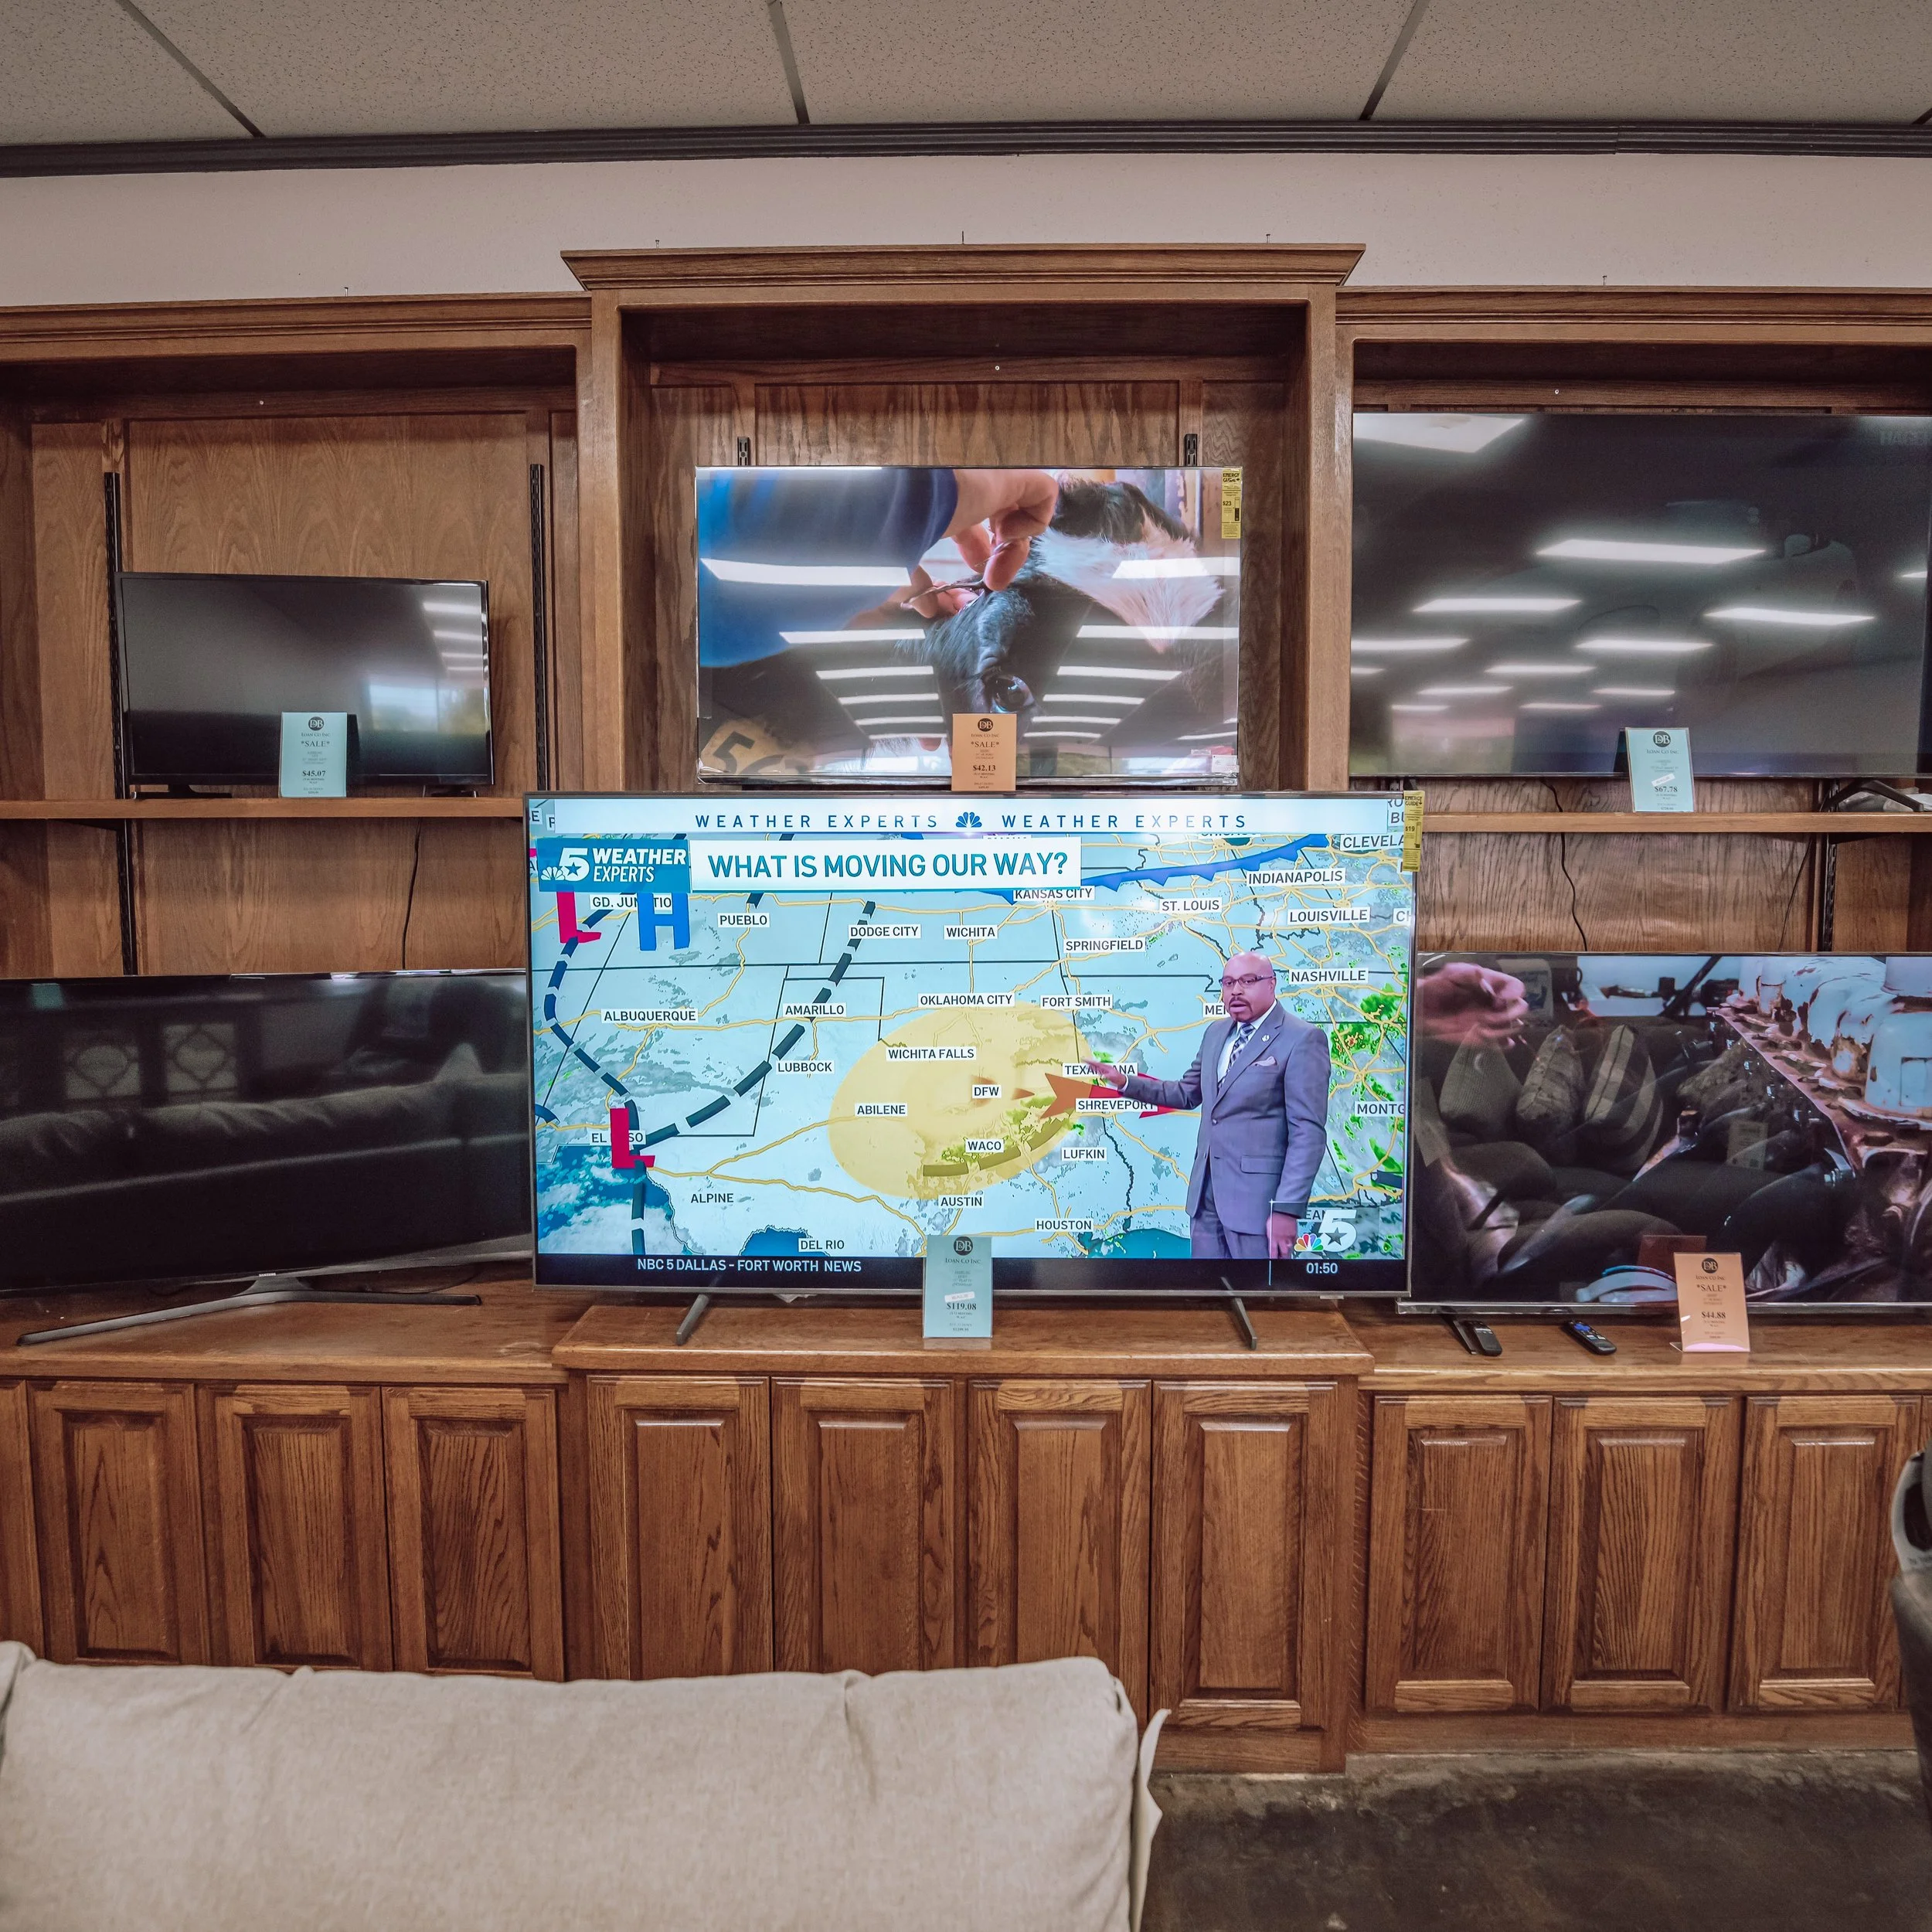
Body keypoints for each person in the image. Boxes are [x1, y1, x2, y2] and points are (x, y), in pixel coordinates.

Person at [1086, 952, 1332, 1262]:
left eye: (1247, 981)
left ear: (1272, 985)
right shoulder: (1217, 1033)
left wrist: (1286, 1209)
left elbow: (1308, 1134)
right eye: (1228, 983)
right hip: (1205, 1200)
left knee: (1260, 1300)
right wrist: (1126, 1083)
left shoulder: (1303, 1039)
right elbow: (1186, 1093)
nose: (1236, 991)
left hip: (1258, 1206)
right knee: (1207, 1297)